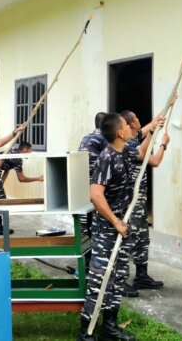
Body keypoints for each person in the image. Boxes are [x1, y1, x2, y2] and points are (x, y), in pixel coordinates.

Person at [78, 113, 156, 341]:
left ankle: (109, 326)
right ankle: (86, 332)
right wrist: (115, 222)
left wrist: (153, 130)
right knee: (100, 279)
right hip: (108, 230)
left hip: (123, 227)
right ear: (120, 133)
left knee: (119, 276)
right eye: (127, 126)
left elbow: (142, 152)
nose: (132, 128)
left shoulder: (125, 151)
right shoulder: (107, 158)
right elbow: (95, 194)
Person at [115, 111, 169, 297]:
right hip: (130, 202)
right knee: (129, 239)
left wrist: (166, 109)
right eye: (138, 119)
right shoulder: (128, 145)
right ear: (130, 125)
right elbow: (153, 161)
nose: (140, 122)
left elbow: (148, 130)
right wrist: (162, 144)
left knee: (142, 239)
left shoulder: (135, 140)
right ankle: (120, 281)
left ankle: (141, 275)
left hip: (140, 200)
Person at [77, 112, 108, 264]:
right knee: (96, 221)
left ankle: (85, 258)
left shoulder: (86, 137)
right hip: (95, 184)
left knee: (85, 222)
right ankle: (94, 257)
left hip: (81, 183)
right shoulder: (103, 139)